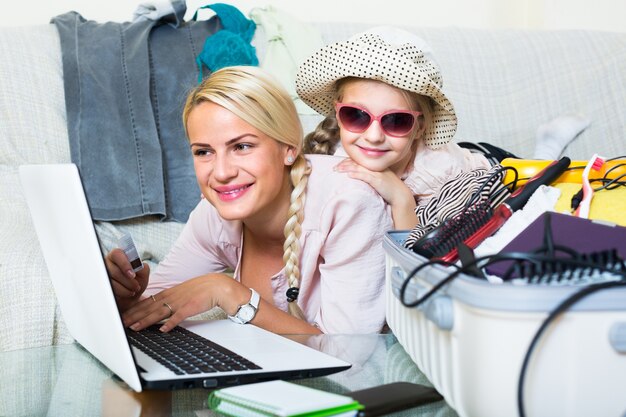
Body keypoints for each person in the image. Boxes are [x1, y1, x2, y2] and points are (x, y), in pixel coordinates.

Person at [105, 65, 392, 335]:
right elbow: (154, 307)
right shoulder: (215, 212)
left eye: (242, 146)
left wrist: (230, 293)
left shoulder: (350, 205)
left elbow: (352, 358)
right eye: (204, 152)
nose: (221, 173)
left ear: (289, 149)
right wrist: (124, 297)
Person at [295, 26, 490, 229]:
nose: (374, 136)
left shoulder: (438, 172)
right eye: (356, 115)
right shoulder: (332, 160)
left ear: (420, 127)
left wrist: (402, 198)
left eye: (396, 120)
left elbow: (422, 254)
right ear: (338, 112)